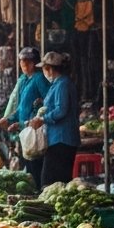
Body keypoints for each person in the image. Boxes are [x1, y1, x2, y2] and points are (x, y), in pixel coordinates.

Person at [0, 47, 50, 183]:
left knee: (35, 167)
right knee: (27, 166)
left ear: (34, 63)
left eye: (27, 62)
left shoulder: (39, 78)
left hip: (35, 130)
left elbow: (48, 102)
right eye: (22, 62)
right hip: (24, 131)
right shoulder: (24, 80)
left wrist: (38, 107)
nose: (24, 65)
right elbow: (21, 107)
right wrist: (8, 119)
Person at [30, 51, 80, 187]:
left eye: (45, 69)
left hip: (62, 139)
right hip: (57, 139)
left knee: (49, 181)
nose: (44, 73)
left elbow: (61, 110)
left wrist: (43, 119)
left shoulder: (63, 84)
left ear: (50, 69)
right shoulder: (58, 84)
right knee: (57, 182)